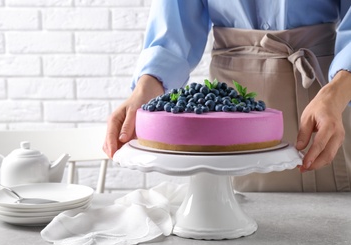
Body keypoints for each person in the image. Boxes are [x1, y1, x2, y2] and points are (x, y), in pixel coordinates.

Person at [103, 1, 351, 192]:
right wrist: (147, 87)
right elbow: (175, 23)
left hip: (323, 96)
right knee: (227, 209)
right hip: (229, 99)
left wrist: (338, 91)